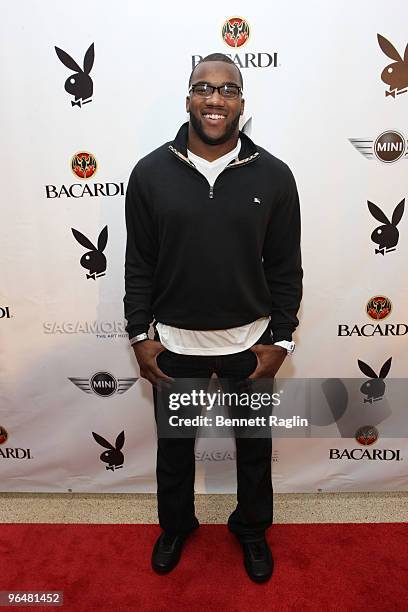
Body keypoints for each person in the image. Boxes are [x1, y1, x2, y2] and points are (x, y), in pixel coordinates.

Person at [124, 53, 302, 583]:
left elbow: (285, 264)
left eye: (227, 89)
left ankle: (251, 529)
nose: (214, 98)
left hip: (249, 341)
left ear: (241, 103)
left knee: (254, 451)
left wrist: (282, 339)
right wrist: (140, 332)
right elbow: (139, 263)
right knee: (175, 452)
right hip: (175, 342)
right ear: (189, 99)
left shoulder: (273, 175)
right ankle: (177, 526)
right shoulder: (151, 173)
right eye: (204, 87)